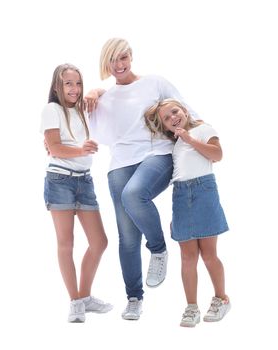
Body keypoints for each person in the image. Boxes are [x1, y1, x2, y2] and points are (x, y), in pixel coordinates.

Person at [85, 38, 199, 320]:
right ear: (106, 63)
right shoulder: (105, 97)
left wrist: (204, 138)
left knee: (133, 194)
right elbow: (92, 132)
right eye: (113, 60)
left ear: (131, 56)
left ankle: (158, 249)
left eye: (123, 57)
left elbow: (184, 109)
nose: (119, 65)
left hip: (156, 153)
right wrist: (93, 96)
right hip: (120, 160)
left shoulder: (155, 83)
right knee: (126, 237)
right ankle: (134, 298)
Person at [145, 98, 230, 327]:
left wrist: (189, 138)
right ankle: (191, 307)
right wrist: (177, 214)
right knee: (187, 257)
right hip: (181, 196)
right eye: (167, 118)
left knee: (209, 254)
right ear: (164, 126)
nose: (173, 117)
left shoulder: (203, 129)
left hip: (204, 190)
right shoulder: (173, 143)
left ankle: (221, 298)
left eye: (175, 111)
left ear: (184, 110)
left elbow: (217, 155)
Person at [40, 63, 113, 323]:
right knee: (66, 243)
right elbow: (55, 148)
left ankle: (84, 296)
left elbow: (103, 90)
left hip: (85, 181)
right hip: (60, 180)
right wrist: (82, 150)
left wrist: (93, 92)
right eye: (68, 83)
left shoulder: (82, 107)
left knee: (99, 242)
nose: (74, 89)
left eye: (78, 83)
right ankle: (75, 302)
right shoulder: (52, 109)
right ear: (57, 86)